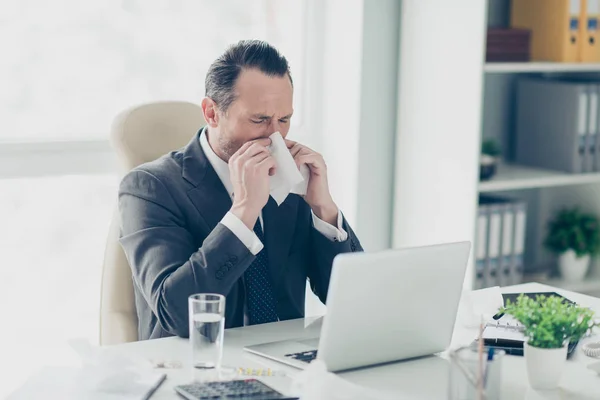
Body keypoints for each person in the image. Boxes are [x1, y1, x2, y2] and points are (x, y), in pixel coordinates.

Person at [118, 40, 362, 340]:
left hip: (284, 364)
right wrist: (244, 212)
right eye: (259, 119)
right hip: (197, 367)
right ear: (211, 113)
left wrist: (324, 209)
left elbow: (354, 302)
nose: (275, 135)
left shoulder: (291, 180)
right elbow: (177, 316)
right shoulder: (150, 187)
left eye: (284, 120)